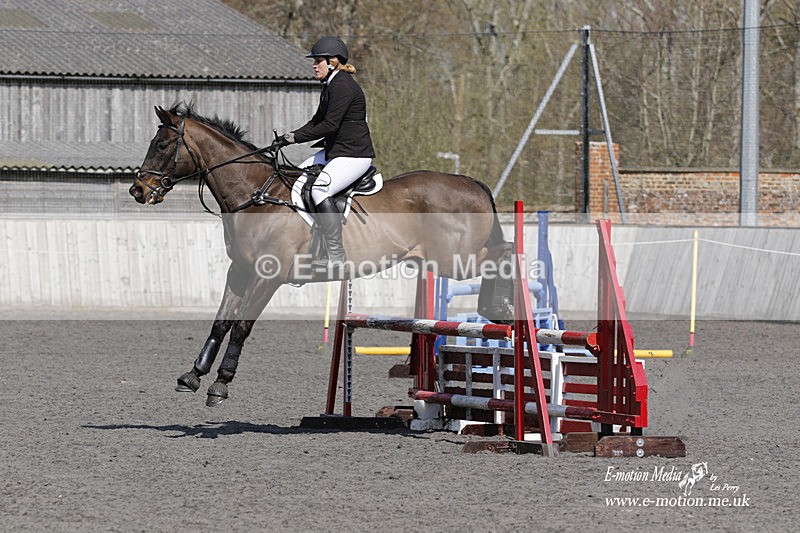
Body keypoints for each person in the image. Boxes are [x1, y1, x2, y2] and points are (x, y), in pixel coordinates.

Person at [277, 36, 375, 267]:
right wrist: (288, 137)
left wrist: (297, 138)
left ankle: (335, 253)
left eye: (318, 61)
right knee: (295, 177)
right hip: (337, 151)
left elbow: (330, 125)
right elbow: (316, 121)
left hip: (354, 155)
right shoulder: (332, 84)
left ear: (332, 62)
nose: (314, 65)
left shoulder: (342, 86)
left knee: (320, 190)